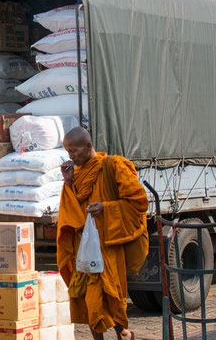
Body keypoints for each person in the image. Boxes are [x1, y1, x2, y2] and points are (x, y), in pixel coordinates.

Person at [56, 127, 149, 340]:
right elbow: (73, 211)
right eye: (68, 152)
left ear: (89, 146)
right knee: (90, 297)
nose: (71, 156)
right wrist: (69, 181)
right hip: (85, 247)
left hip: (108, 245)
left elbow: (139, 202)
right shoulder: (76, 173)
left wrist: (106, 208)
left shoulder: (114, 166)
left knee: (112, 294)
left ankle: (123, 333)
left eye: (75, 151)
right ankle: (109, 336)